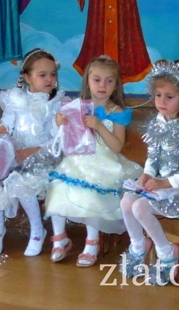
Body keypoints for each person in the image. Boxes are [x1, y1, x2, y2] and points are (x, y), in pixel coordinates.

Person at [119, 59, 179, 284]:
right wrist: (148, 173)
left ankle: (166, 252)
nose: (161, 101)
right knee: (126, 201)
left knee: (140, 206)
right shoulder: (157, 123)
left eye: (169, 97)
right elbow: (153, 156)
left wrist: (164, 183)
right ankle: (139, 246)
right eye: (158, 95)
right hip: (161, 181)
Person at [45, 55, 142, 267]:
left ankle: (92, 242)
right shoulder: (76, 106)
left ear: (116, 85)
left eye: (109, 81)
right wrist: (60, 123)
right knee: (58, 187)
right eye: (97, 80)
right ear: (87, 81)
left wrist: (99, 126)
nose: (102, 85)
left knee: (92, 192)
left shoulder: (116, 112)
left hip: (105, 163)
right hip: (77, 160)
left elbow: (117, 146)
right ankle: (60, 239)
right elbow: (65, 139)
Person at [0, 48, 64, 257]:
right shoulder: (15, 99)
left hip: (42, 156)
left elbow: (58, 140)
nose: (49, 79)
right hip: (15, 154)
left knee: (22, 182)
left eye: (52, 74)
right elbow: (5, 126)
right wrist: (1, 132)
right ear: (27, 77)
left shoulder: (55, 104)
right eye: (42, 75)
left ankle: (37, 230)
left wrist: (34, 150)